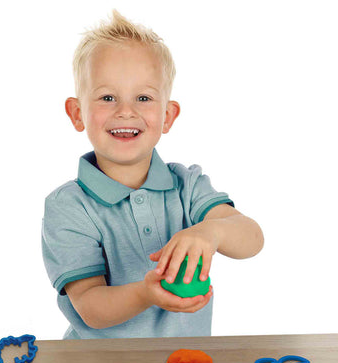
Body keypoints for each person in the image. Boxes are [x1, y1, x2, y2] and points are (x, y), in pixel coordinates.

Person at [41, 9, 264, 339]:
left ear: (168, 116)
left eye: (143, 97)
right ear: (77, 114)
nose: (125, 111)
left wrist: (212, 231)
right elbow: (90, 307)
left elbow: (253, 239)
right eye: (107, 97)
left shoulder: (187, 185)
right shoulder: (69, 206)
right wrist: (145, 293)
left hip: (184, 361)